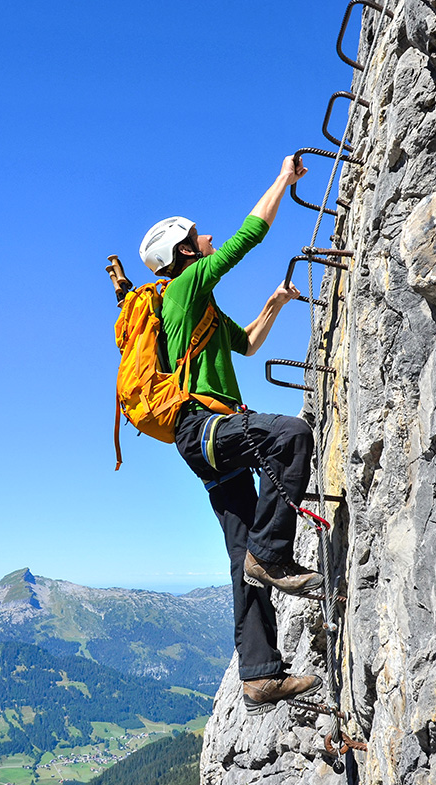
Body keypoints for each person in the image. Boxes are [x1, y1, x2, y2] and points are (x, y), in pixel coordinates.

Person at [137, 155, 323, 715]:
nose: (208, 236)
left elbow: (246, 345)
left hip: (204, 443)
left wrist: (275, 303)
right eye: (197, 236)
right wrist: (282, 180)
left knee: (241, 555)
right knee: (290, 435)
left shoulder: (200, 309)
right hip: (206, 428)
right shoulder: (183, 288)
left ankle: (259, 675)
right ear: (184, 254)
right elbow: (247, 237)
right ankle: (273, 553)